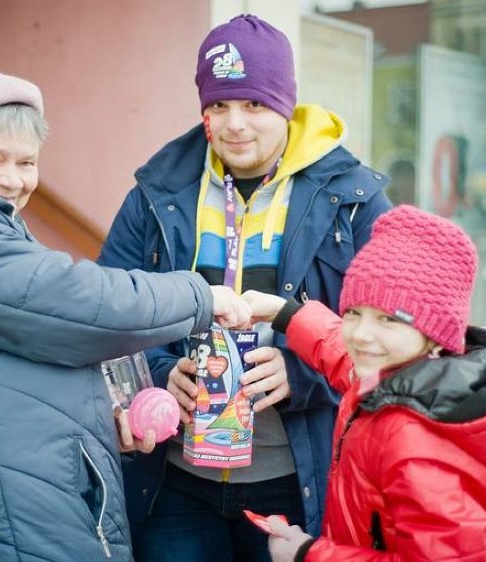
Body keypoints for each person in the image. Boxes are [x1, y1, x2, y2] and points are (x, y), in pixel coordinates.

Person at [0, 69, 251, 562]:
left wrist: (101, 419)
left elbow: (16, 362)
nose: (12, 178)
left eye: (27, 162)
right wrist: (199, 297)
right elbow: (82, 305)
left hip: (11, 497)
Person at [97, 14, 391, 561]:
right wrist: (161, 371)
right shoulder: (155, 191)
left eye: (254, 104)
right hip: (175, 481)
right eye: (218, 106)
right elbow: (110, 309)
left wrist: (305, 370)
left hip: (295, 481)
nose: (235, 124)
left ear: (286, 103)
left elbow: (394, 334)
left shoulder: (355, 199)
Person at [243, 205, 486, 561]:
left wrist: (308, 554)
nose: (361, 334)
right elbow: (345, 357)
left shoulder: (417, 446)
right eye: (354, 312)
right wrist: (288, 314)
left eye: (389, 319)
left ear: (436, 335)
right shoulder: (414, 378)